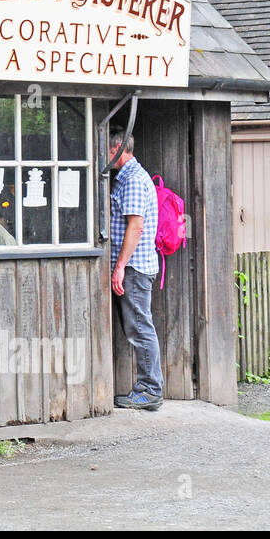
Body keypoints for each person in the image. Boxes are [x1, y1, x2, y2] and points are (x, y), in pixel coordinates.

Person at [108, 128, 163, 410]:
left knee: (140, 329)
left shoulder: (131, 180)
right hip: (135, 267)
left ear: (118, 149)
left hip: (134, 268)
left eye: (107, 150)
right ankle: (147, 389)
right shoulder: (130, 177)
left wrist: (120, 267)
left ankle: (150, 390)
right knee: (139, 327)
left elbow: (136, 226)